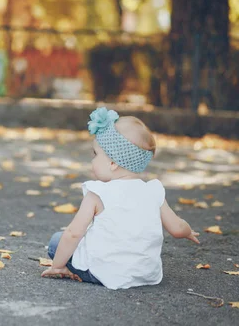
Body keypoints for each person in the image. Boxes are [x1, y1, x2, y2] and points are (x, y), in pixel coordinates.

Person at [41, 107, 199, 289]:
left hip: (103, 272)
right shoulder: (153, 191)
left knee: (57, 241)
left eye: (96, 154)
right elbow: (178, 228)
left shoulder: (97, 193)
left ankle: (72, 264)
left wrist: (58, 266)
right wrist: (187, 231)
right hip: (145, 274)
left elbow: (73, 233)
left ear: (113, 163)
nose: (92, 160)